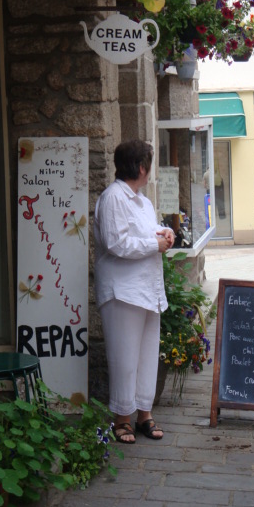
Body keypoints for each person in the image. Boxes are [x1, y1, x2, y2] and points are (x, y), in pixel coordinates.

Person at [93, 140, 175, 444]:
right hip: (122, 292)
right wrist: (156, 244)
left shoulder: (141, 200)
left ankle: (144, 413)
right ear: (141, 168)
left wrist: (163, 232)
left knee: (146, 356)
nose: (149, 171)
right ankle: (122, 418)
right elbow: (117, 243)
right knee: (124, 357)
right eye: (148, 165)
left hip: (145, 289)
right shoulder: (113, 198)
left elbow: (145, 230)